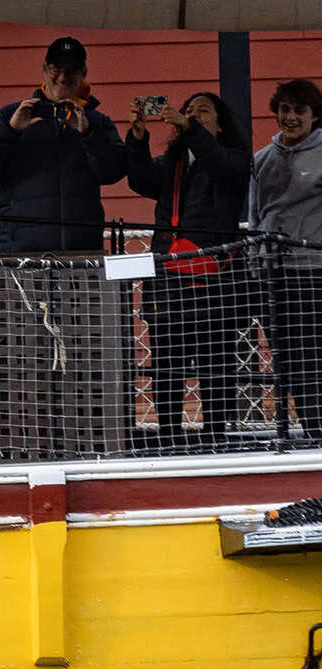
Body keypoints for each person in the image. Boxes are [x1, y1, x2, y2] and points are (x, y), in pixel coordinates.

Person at [126, 91, 250, 451]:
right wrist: (137, 136)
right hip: (169, 278)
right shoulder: (171, 165)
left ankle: (215, 435)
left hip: (215, 281)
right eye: (188, 111)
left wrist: (191, 129)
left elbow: (222, 167)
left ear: (219, 123)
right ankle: (169, 436)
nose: (193, 116)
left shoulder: (235, 160)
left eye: (203, 112)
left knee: (215, 362)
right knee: (168, 362)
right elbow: (139, 179)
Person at [0, 36, 128, 253]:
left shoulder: (96, 122)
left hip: (82, 251)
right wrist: (10, 131)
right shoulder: (11, 115)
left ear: (84, 74)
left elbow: (113, 172)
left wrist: (87, 134)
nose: (63, 76)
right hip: (22, 252)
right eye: (56, 68)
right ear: (44, 69)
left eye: (72, 70)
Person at [251, 79, 322, 444]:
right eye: (285, 109)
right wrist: (253, 261)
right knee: (287, 358)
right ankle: (309, 430)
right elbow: (254, 214)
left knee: (313, 354)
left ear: (314, 116)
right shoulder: (262, 159)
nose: (290, 117)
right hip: (270, 271)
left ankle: (317, 431)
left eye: (299, 111)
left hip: (313, 270)